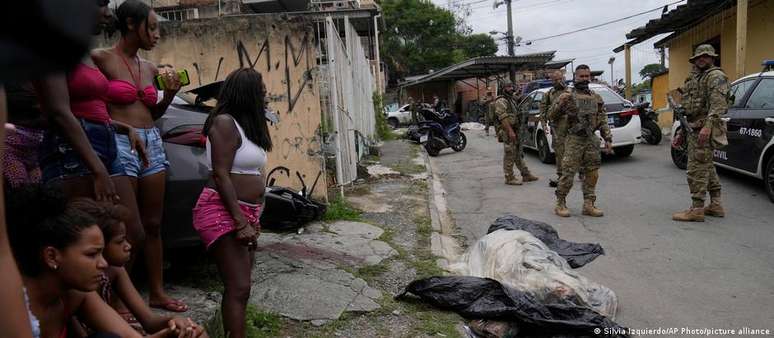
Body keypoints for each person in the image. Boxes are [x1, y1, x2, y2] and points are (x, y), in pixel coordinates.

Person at [92, 0, 186, 312]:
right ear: (132, 24)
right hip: (119, 142)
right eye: (153, 26)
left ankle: (157, 292)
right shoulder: (100, 59)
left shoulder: (149, 68)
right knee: (129, 230)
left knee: (154, 225)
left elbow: (153, 112)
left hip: (151, 142)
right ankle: (118, 301)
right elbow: (92, 109)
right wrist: (121, 127)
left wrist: (169, 94)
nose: (157, 34)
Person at [5, 184, 186, 338]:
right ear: (52, 256)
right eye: (92, 254)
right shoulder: (12, 304)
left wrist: (174, 328)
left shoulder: (76, 295)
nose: (103, 263)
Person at [193, 68, 272, 338]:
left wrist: (253, 217)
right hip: (221, 210)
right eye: (261, 91)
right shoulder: (224, 122)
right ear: (247, 93)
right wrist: (240, 221)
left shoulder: (248, 126)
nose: (265, 95)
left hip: (244, 212)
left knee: (242, 287)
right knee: (238, 286)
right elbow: (220, 173)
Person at [71, 199, 208, 337]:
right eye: (120, 241)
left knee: (195, 331)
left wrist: (173, 321)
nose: (128, 246)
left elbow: (149, 321)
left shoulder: (115, 271)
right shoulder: (76, 289)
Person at [672, 45, 729, 222]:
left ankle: (696, 209)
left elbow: (718, 105)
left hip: (704, 128)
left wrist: (708, 126)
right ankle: (716, 204)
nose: (701, 59)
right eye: (699, 57)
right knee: (707, 166)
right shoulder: (695, 78)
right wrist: (682, 131)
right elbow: (689, 109)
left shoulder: (715, 77)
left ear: (712, 58)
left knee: (696, 169)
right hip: (693, 127)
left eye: (706, 56)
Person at [552, 65, 613, 217]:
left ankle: (588, 204)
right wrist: (562, 104)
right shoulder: (566, 95)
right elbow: (552, 115)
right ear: (575, 77)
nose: (585, 79)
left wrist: (608, 138)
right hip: (574, 138)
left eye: (587, 76)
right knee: (568, 174)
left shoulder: (595, 97)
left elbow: (602, 119)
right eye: (582, 76)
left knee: (592, 173)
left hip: (591, 139)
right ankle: (560, 203)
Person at [494, 79, 539, 185]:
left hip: (515, 129)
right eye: (508, 87)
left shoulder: (511, 99)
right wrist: (510, 131)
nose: (511, 89)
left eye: (511, 86)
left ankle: (525, 174)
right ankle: (509, 177)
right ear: (502, 88)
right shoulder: (501, 101)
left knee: (517, 153)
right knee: (510, 153)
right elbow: (503, 118)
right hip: (508, 131)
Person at [540, 70, 569, 188]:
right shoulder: (548, 94)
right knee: (559, 153)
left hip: (572, 127)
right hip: (557, 128)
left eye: (560, 79)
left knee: (576, 150)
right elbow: (542, 110)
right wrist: (544, 124)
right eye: (555, 80)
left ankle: (581, 172)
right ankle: (561, 175)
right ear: (551, 81)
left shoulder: (570, 92)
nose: (558, 81)